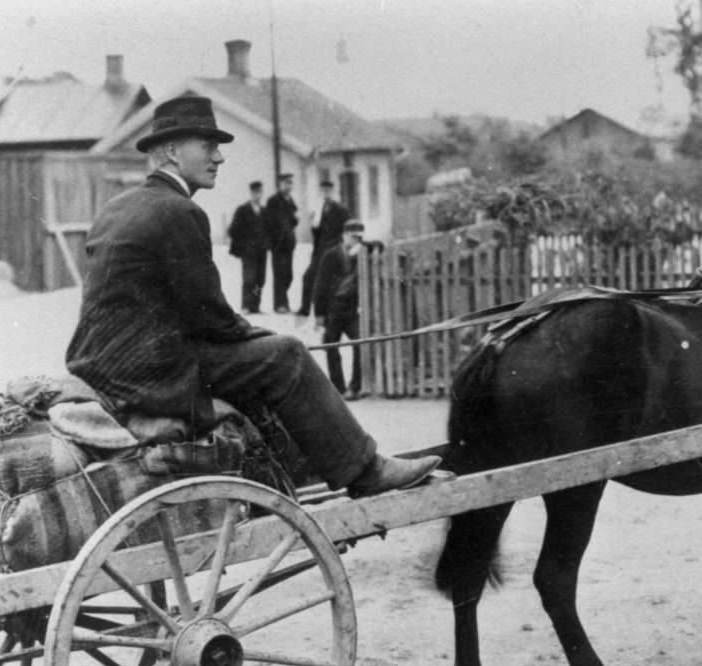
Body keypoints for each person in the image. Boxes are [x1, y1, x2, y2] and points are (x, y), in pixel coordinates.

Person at [65, 94, 440, 496]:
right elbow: (208, 316)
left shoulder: (118, 207)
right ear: (173, 151)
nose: (219, 158)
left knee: (263, 353)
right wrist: (262, 337)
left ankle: (301, 461)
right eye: (208, 146)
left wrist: (248, 335)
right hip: (149, 373)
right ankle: (365, 471)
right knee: (288, 355)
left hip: (103, 365)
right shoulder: (179, 211)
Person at [313, 218, 366, 400]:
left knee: (361, 344)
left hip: (351, 312)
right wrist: (319, 316)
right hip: (332, 311)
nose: (356, 240)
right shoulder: (330, 255)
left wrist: (364, 246)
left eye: (360, 237)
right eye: (353, 237)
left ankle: (355, 387)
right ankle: (339, 389)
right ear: (344, 235)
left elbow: (379, 246)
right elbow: (320, 286)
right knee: (331, 348)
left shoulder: (362, 254)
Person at [296, 179, 350, 318]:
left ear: (333, 192)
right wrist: (313, 223)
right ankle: (305, 309)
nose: (326, 194)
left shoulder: (341, 209)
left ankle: (328, 311)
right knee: (308, 277)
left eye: (328, 191)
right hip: (319, 251)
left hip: (333, 251)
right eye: (323, 191)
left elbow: (344, 232)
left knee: (329, 282)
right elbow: (316, 233)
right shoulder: (318, 209)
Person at [226, 180, 268, 314]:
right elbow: (232, 229)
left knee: (259, 279)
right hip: (248, 251)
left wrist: (267, 243)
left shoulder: (264, 211)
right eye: (255, 192)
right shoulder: (243, 210)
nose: (258, 195)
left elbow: (270, 230)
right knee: (249, 278)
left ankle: (255, 306)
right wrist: (243, 244)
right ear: (251, 193)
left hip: (261, 251)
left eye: (260, 192)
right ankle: (246, 306)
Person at [263, 172, 298, 313]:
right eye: (286, 183)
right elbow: (271, 222)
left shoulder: (290, 200)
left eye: (291, 183)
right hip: (278, 244)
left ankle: (285, 303)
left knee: (288, 274)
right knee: (280, 274)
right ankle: (279, 305)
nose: (289, 186)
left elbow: (293, 221)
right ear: (280, 184)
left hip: (289, 244)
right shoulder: (273, 201)